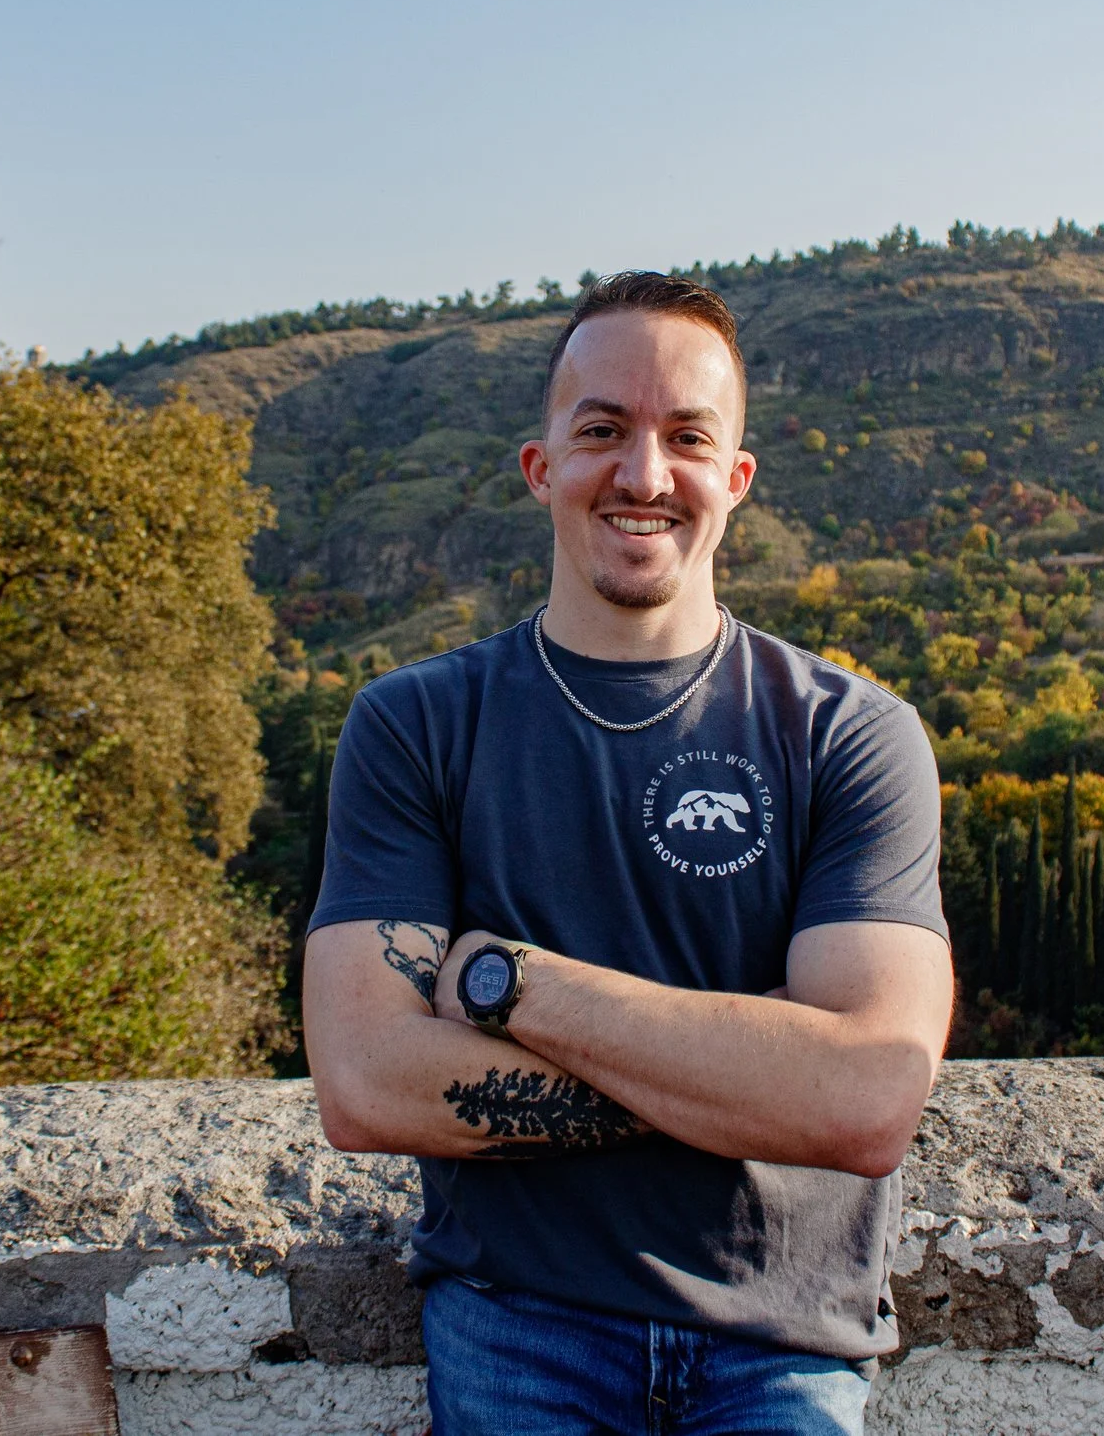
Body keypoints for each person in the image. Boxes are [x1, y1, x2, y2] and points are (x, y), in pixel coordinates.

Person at [302, 271, 951, 1436]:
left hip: (783, 1342)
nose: (644, 474)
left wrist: (508, 983)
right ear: (540, 464)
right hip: (517, 1327)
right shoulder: (415, 724)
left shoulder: (849, 733)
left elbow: (864, 1096)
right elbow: (361, 1081)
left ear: (736, 478)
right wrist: (747, 1077)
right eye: (602, 429)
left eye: (686, 437)